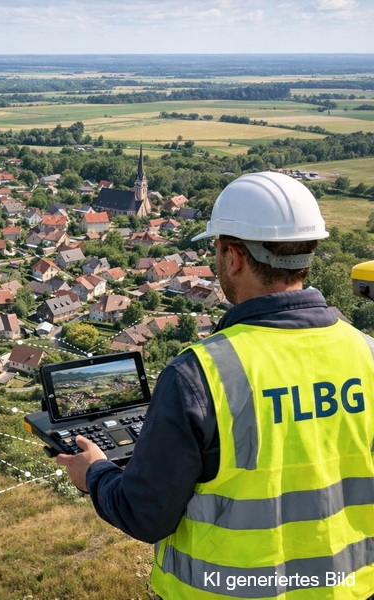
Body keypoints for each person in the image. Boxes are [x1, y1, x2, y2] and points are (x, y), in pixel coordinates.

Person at [56, 171, 374, 599]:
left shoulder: (200, 375)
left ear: (234, 257)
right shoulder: (366, 353)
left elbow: (144, 515)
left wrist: (93, 473)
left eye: (217, 248)